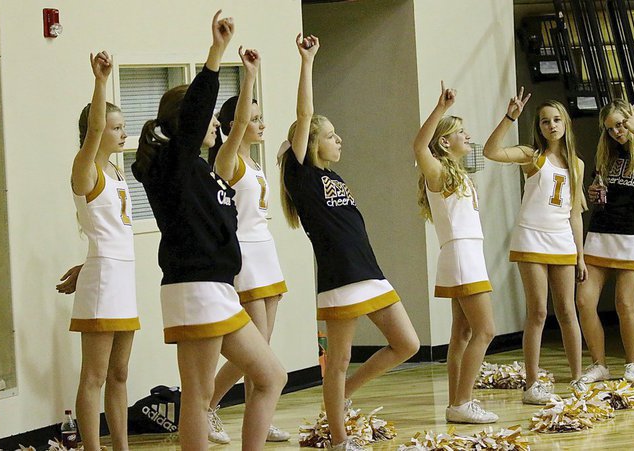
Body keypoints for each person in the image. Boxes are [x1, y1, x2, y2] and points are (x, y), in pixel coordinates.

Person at [130, 11, 286, 450]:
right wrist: (216, 54)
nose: (216, 124)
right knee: (197, 399)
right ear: (189, 124)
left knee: (271, 376)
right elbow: (202, 111)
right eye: (207, 121)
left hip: (215, 290)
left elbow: (234, 127)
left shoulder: (205, 169)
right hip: (194, 288)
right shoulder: (172, 166)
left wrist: (250, 77)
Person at [278, 34, 419, 450]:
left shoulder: (332, 177)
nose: (339, 140)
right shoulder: (300, 174)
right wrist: (307, 62)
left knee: (407, 344)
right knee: (336, 364)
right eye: (331, 135)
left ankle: (339, 401)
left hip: (369, 272)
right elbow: (304, 113)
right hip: (340, 277)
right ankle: (339, 439)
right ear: (311, 141)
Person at [205, 48, 291, 444]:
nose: (259, 124)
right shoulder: (229, 159)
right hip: (245, 256)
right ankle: (207, 405)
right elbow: (238, 121)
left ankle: (260, 413)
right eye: (252, 119)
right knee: (252, 348)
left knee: (264, 350)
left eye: (260, 118)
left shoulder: (255, 163)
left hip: (266, 250)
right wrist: (250, 77)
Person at [483, 92, 588, 404]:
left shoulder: (577, 165)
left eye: (556, 120)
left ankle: (578, 378)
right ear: (539, 127)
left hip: (563, 241)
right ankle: (532, 384)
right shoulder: (532, 155)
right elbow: (490, 152)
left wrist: (581, 256)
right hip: (531, 237)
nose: (551, 125)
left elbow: (575, 214)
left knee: (568, 310)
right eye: (545, 121)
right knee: (539, 311)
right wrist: (509, 117)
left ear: (566, 124)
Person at [62, 50, 140, 451]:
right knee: (93, 375)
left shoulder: (115, 170)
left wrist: (85, 265)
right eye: (115, 127)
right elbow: (92, 132)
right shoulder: (86, 167)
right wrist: (100, 81)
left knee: (121, 373)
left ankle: (121, 446)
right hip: (105, 280)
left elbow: (108, 232)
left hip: (120, 276)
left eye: (123, 126)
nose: (122, 133)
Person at [412, 82, 497, 423]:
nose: (468, 135)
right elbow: (419, 145)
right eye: (461, 132)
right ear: (445, 142)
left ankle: (455, 405)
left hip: (466, 255)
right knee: (485, 330)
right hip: (462, 256)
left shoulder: (457, 172)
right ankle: (463, 403)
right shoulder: (439, 171)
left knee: (462, 333)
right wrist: (440, 111)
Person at [577, 100, 634, 384]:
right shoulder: (607, 152)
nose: (617, 132)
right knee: (584, 301)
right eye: (611, 128)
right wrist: (594, 191)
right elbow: (600, 187)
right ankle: (599, 364)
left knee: (624, 304)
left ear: (631, 120)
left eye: (620, 124)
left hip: (633, 233)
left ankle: (632, 364)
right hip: (601, 231)